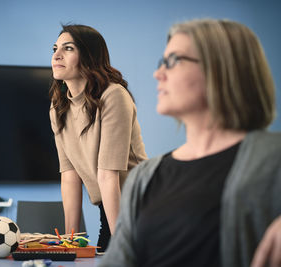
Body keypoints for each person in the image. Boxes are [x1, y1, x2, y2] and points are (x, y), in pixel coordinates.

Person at [99, 18, 281, 267]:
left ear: (221, 68)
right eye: (161, 62)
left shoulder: (273, 156)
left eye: (173, 61)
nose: (158, 73)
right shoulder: (144, 177)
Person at [49, 24, 148, 252]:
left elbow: (107, 175)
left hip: (140, 206)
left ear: (89, 57)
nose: (56, 55)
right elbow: (70, 175)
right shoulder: (58, 108)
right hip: (110, 206)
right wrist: (69, 243)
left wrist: (122, 248)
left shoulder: (113, 96)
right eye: (55, 49)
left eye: (68, 48)